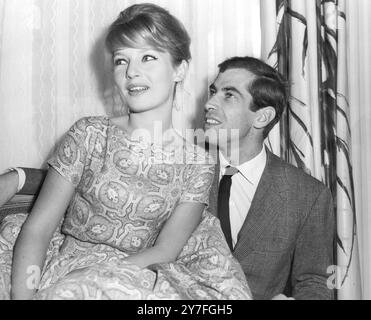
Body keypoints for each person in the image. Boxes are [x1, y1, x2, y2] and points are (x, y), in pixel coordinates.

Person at [0, 4, 251, 300]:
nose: (132, 72)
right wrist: (24, 297)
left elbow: (165, 250)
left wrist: (98, 278)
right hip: (60, 270)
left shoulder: (198, 164)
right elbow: (38, 229)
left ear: (179, 69)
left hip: (135, 279)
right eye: (121, 61)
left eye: (147, 57)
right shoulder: (88, 134)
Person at [203, 56, 335, 300]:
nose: (209, 103)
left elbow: (315, 281)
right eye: (213, 92)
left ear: (262, 117)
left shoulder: (309, 195)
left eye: (228, 95)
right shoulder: (179, 170)